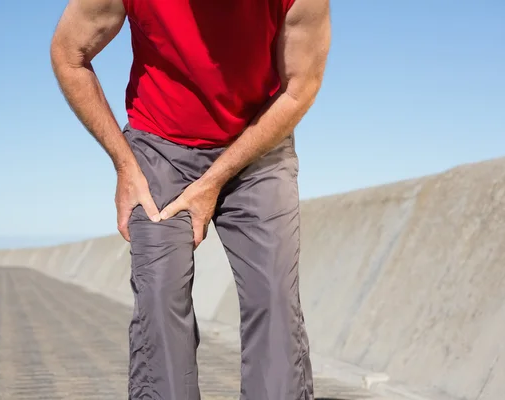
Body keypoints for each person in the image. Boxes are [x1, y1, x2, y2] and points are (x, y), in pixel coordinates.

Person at [50, 0, 330, 398]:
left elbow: (300, 89)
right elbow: (68, 53)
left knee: (275, 301)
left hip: (258, 146)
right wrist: (125, 165)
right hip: (159, 146)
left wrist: (213, 182)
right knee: (159, 297)